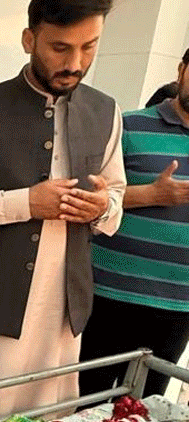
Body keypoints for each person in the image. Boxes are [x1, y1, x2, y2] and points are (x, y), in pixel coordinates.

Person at [0, 0, 126, 422]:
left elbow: (115, 199)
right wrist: (23, 203)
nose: (75, 62)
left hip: (61, 317)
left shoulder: (106, 112)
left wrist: (101, 207)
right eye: (60, 48)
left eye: (89, 47)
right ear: (29, 39)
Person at [80, 48, 189, 398]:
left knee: (143, 415)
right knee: (85, 402)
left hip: (178, 307)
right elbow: (87, 197)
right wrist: (151, 195)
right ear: (182, 68)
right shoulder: (127, 125)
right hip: (111, 295)